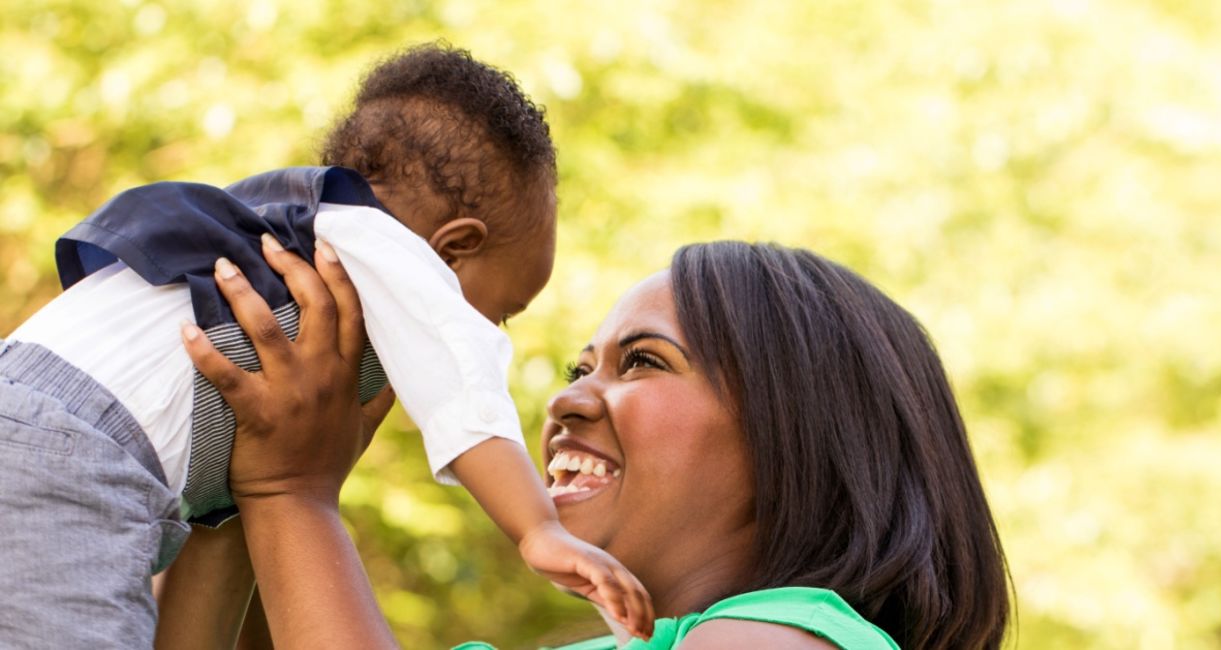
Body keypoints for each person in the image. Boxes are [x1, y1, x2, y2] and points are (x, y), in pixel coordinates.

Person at [0, 44, 652, 647]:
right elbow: (462, 380)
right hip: (71, 458)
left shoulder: (266, 238)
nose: (485, 328)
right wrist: (536, 528)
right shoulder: (384, 245)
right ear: (454, 248)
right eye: (502, 312)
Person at [162, 240, 1011, 649]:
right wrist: (245, 475)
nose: (567, 398)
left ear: (801, 433)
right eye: (579, 365)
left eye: (642, 362)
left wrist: (293, 494)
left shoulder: (788, 639)